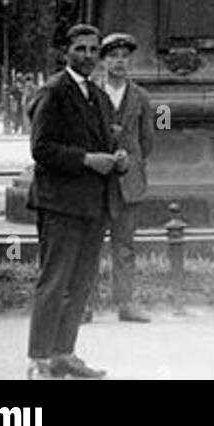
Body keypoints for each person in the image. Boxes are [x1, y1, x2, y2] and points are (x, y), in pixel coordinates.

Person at [26, 23, 128, 380]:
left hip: (91, 205)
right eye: (80, 49)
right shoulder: (53, 92)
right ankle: (38, 360)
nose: (87, 55)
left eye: (92, 50)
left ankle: (63, 354)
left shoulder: (97, 97)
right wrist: (86, 159)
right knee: (54, 282)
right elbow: (40, 149)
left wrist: (118, 158)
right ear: (66, 53)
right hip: (59, 204)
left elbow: (103, 144)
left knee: (80, 284)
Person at [97, 32, 154, 322]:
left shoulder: (141, 97)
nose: (119, 62)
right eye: (113, 57)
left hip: (127, 183)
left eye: (124, 57)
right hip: (95, 181)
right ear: (103, 61)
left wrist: (131, 162)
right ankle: (84, 305)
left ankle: (126, 303)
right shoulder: (92, 93)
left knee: (125, 244)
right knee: (89, 246)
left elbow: (148, 142)